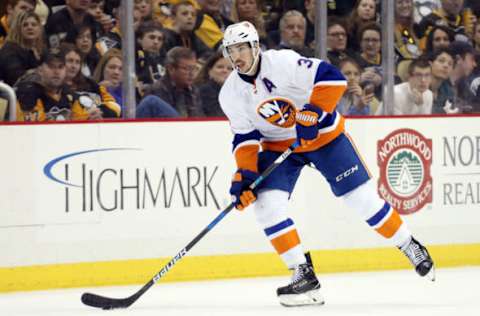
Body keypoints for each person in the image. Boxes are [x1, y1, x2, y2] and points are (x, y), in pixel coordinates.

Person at [219, 21, 435, 307]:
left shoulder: (283, 63)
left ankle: (409, 244)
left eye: (242, 48)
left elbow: (333, 78)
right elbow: (245, 139)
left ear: (256, 47)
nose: (237, 57)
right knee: (266, 207)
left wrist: (313, 112)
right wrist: (244, 175)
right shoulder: (230, 93)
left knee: (362, 201)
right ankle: (302, 274)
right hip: (278, 145)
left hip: (323, 136)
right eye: (230, 51)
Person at [15, 48, 105, 121]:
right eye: (51, 66)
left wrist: (90, 120)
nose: (56, 72)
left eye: (60, 67)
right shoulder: (28, 93)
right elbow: (35, 132)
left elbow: (79, 122)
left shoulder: (69, 95)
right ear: (40, 70)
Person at [62, 43, 121, 118]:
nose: (74, 66)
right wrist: (86, 117)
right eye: (70, 61)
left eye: (77, 62)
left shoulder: (91, 84)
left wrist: (101, 111)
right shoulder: (57, 89)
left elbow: (115, 106)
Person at [146, 46, 205, 117]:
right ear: (171, 68)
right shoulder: (157, 90)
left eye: (194, 68)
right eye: (187, 69)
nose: (192, 73)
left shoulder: (194, 90)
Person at [0, 10, 44, 86]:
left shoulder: (41, 49)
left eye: (34, 25)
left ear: (40, 28)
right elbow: (17, 79)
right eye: (25, 25)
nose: (30, 27)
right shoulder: (10, 50)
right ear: (17, 29)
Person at [195, 51, 232, 117]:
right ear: (210, 71)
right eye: (220, 67)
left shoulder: (236, 92)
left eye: (229, 68)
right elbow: (216, 115)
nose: (225, 71)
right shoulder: (206, 90)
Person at [428, 48, 456, 114]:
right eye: (441, 61)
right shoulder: (419, 87)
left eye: (450, 64)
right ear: (430, 64)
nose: (446, 65)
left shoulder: (449, 91)